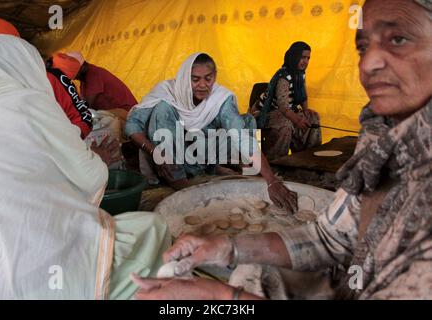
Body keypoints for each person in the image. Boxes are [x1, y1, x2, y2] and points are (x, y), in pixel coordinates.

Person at [132, 0, 432, 300]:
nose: (368, 64)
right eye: (363, 47)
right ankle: (181, 179)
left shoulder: (220, 99)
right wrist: (228, 247)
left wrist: (220, 297)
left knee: (249, 125)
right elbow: (332, 239)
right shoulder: (382, 130)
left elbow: (241, 135)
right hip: (174, 153)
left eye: (398, 40)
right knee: (252, 271)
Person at [0, 17, 170, 299]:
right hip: (35, 270)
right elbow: (91, 176)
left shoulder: (71, 82)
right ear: (20, 57)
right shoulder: (28, 101)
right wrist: (85, 156)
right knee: (152, 228)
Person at [125, 52, 298, 212]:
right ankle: (182, 185)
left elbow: (241, 136)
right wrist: (155, 152)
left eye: (208, 79)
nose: (202, 85)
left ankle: (229, 170)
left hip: (201, 152)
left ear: (214, 76)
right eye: (195, 79)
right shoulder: (167, 92)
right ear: (185, 78)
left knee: (247, 121)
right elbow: (132, 125)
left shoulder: (221, 98)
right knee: (162, 110)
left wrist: (271, 180)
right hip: (171, 156)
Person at [46, 52, 122, 167]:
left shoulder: (93, 74)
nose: (75, 79)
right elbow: (83, 113)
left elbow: (84, 105)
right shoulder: (58, 79)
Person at [250, 42, 322, 162]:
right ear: (294, 56)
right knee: (286, 123)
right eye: (302, 57)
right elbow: (283, 107)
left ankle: (307, 158)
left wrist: (306, 112)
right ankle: (277, 162)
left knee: (313, 116)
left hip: (285, 111)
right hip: (265, 113)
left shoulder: (300, 75)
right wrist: (298, 120)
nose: (305, 61)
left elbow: (303, 95)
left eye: (308, 58)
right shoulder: (284, 77)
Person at [67, 51, 138, 122]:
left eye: (73, 71)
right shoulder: (83, 82)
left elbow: (87, 106)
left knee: (93, 119)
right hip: (116, 114)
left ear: (82, 67)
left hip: (128, 113)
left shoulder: (94, 73)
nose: (72, 76)